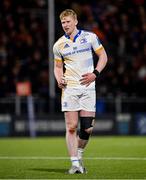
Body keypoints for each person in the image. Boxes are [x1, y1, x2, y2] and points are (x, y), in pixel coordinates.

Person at [53, 9, 108, 174]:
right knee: (71, 127)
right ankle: (75, 163)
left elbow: (103, 56)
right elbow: (57, 67)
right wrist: (58, 78)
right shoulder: (58, 45)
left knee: (87, 128)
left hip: (88, 88)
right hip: (70, 89)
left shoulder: (90, 37)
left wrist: (95, 74)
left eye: (68, 22)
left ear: (75, 21)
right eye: (63, 22)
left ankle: (79, 154)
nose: (65, 25)